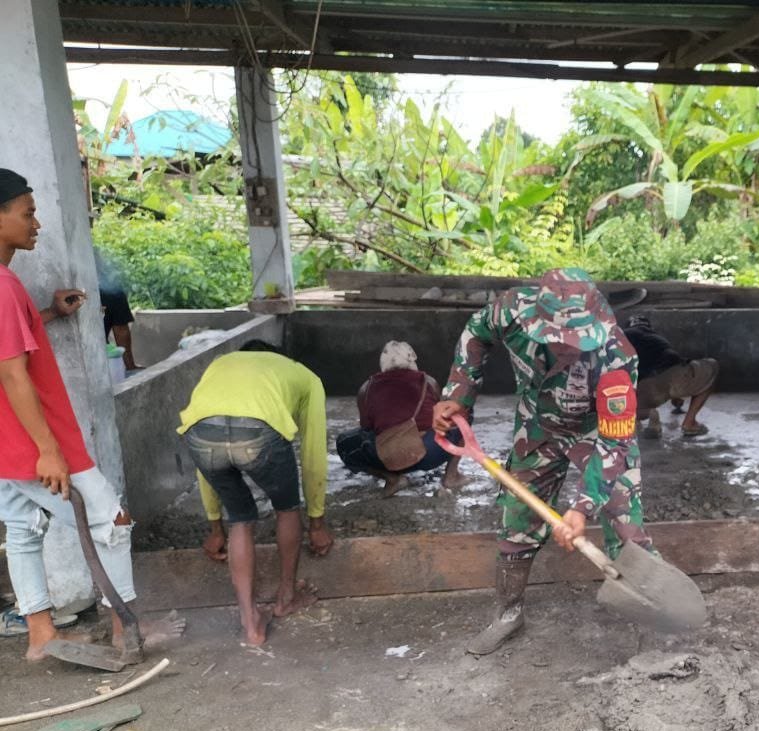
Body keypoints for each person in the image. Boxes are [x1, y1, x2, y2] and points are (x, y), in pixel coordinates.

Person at [0, 169, 182, 660]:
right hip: (31, 441)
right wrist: (48, 451)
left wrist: (50, 314)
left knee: (22, 528)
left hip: (3, 443)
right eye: (28, 214)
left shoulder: (6, 284)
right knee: (112, 520)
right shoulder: (0, 286)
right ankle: (127, 632)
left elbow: (7, 338)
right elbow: (12, 374)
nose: (36, 223)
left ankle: (40, 634)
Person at [432, 267, 652, 657]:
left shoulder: (617, 357)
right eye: (559, 340)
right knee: (518, 517)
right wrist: (459, 393)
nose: (569, 348)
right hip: (538, 426)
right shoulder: (511, 310)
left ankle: (650, 623)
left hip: (596, 432)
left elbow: (614, 442)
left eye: (577, 341)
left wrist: (582, 508)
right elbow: (475, 333)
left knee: (625, 522)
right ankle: (507, 614)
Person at [177, 340, 334, 646]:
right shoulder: (302, 375)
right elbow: (314, 452)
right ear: (277, 359)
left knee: (240, 518)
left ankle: (251, 624)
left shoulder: (219, 365)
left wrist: (214, 527)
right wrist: (317, 523)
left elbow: (203, 422)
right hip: (259, 432)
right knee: (287, 508)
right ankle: (285, 598)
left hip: (200, 435)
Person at [335, 340, 462, 496]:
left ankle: (392, 479)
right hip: (429, 453)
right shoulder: (428, 382)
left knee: (343, 441)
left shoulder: (366, 389)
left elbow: (367, 428)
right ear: (411, 359)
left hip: (386, 458)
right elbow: (441, 415)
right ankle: (451, 476)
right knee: (461, 416)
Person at [619, 313, 718, 438]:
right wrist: (676, 397)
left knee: (625, 408)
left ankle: (649, 414)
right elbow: (672, 363)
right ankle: (689, 423)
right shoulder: (655, 338)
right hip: (673, 377)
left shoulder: (620, 338)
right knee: (712, 365)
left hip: (646, 389)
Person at [95, 248, 141, 370]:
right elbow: (121, 332)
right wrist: (130, 366)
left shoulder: (69, 291)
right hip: (99, 360)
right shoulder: (114, 293)